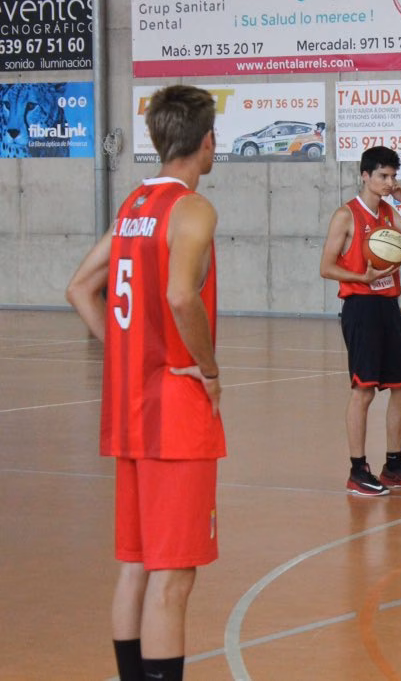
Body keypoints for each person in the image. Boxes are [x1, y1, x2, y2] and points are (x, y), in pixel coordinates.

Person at [65, 84, 224, 681]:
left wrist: (130, 350)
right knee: (172, 577)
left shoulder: (134, 204)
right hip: (175, 414)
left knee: (136, 564)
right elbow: (182, 295)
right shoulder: (192, 208)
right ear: (207, 141)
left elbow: (80, 288)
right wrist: (209, 369)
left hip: (131, 411)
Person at [319, 146, 401, 496]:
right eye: (383, 176)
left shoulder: (387, 211)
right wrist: (361, 278)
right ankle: (358, 470)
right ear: (365, 175)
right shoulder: (346, 215)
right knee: (364, 390)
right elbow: (326, 267)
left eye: (393, 176)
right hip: (361, 306)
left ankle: (394, 466)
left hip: (387, 307)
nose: (389, 182)